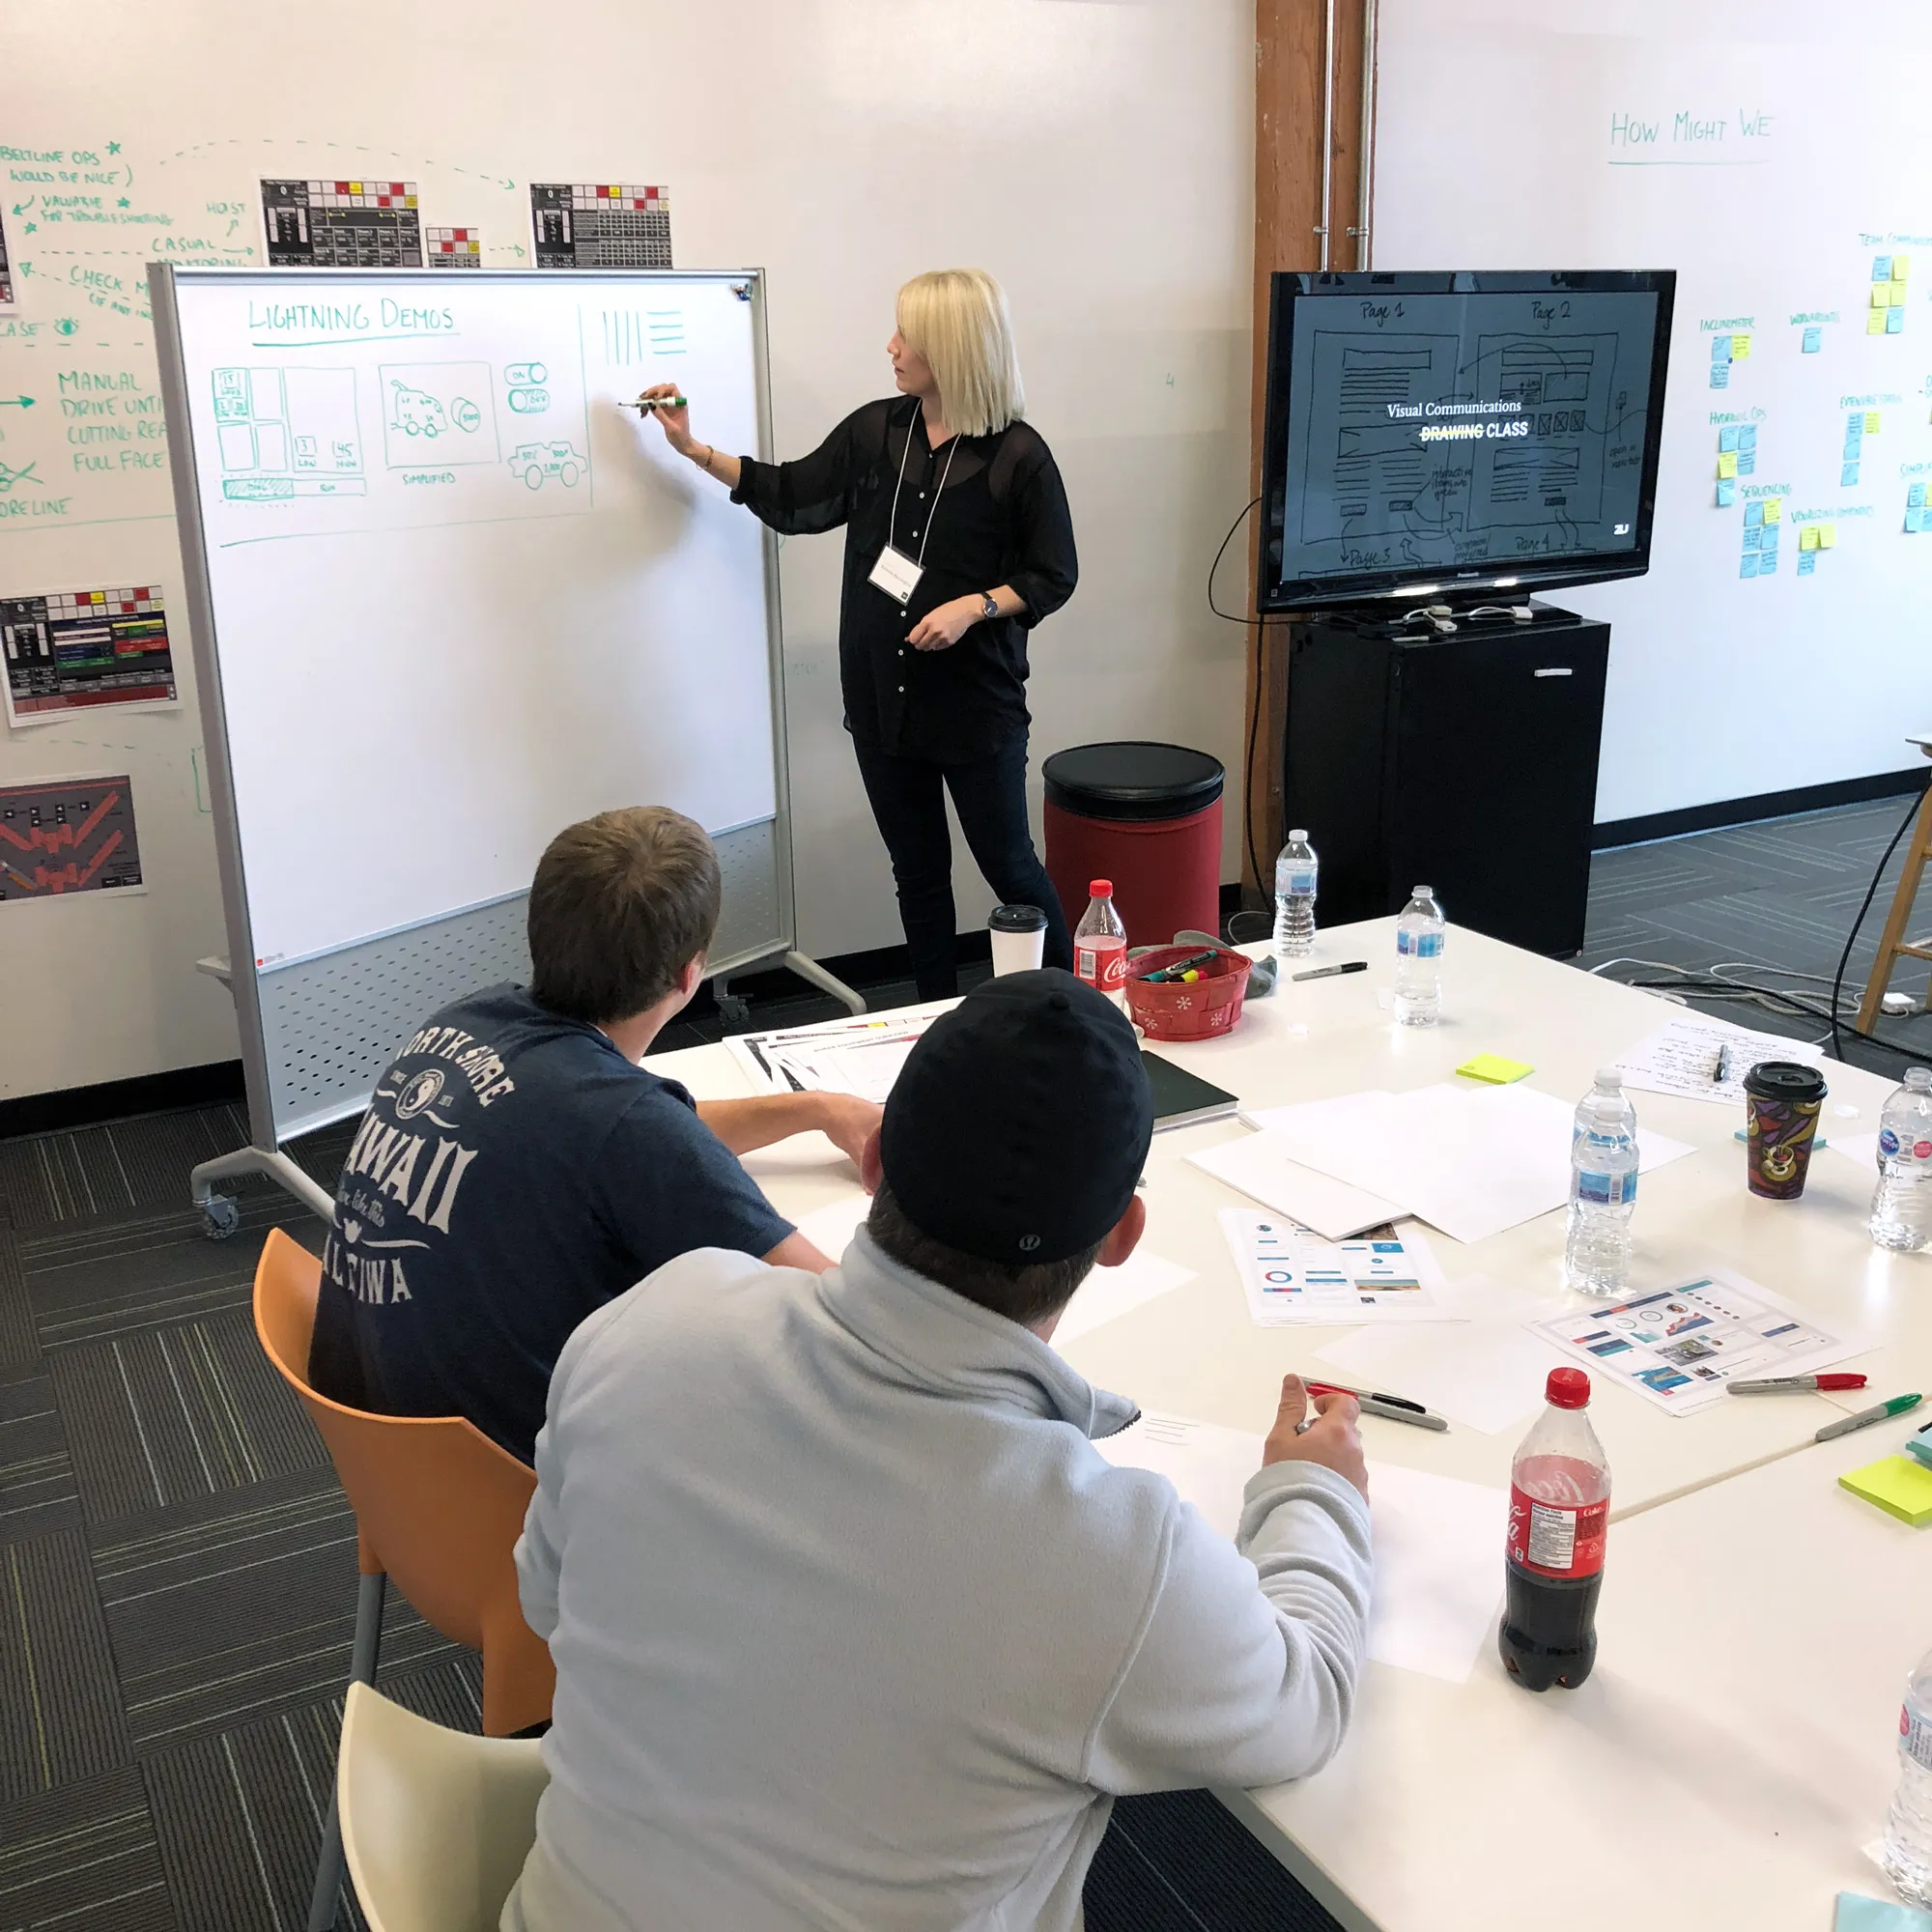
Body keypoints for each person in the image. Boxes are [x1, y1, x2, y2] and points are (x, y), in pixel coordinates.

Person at [502, 970, 1373, 1932]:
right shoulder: (1113, 1558)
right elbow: (1305, 1703)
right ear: (1120, 1233)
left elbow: (547, 1602)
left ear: (872, 1159)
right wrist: (1310, 1491)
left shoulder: (655, 1315)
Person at [307, 806, 879, 1465]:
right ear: (690, 975)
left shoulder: (468, 1023)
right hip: (526, 1503)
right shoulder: (624, 1125)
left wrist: (816, 1109)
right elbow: (845, 1321)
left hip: (396, 1473)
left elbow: (662, 1132)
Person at [639, 268, 1078, 1001]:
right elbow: (792, 495)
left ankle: (1072, 1008)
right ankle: (934, 1016)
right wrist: (693, 449)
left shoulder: (1017, 457)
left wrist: (977, 605)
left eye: (906, 336)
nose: (891, 347)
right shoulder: (879, 431)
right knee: (917, 874)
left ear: (952, 349)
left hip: (975, 706)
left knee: (1010, 866)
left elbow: (1052, 575)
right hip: (883, 702)